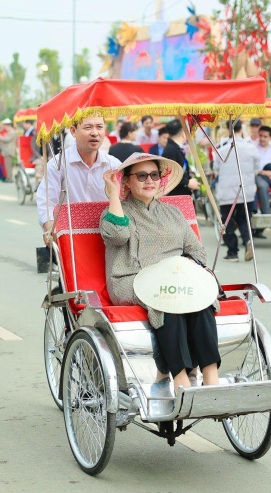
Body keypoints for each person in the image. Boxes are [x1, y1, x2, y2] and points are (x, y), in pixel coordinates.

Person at [100, 153, 220, 390]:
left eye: (154, 175)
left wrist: (187, 270)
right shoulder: (115, 211)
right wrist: (114, 193)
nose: (149, 181)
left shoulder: (172, 212)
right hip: (131, 278)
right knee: (168, 298)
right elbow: (117, 236)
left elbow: (196, 250)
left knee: (199, 297)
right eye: (141, 176)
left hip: (175, 277)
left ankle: (211, 376)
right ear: (127, 181)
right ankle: (180, 378)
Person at [36, 114, 122, 245]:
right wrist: (51, 229)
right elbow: (47, 203)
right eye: (88, 127)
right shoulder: (58, 165)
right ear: (73, 131)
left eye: (99, 127)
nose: (95, 133)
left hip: (108, 237)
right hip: (70, 237)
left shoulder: (114, 165)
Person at [214, 121, 261, 261]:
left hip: (227, 192)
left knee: (227, 221)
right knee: (244, 219)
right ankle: (247, 240)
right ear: (242, 129)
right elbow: (257, 168)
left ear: (229, 130)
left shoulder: (221, 149)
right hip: (246, 190)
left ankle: (232, 252)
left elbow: (216, 169)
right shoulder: (251, 148)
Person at [160, 119, 200, 197]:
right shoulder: (170, 150)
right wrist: (187, 183)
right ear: (183, 133)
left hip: (181, 194)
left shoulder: (175, 148)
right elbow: (169, 175)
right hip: (176, 196)